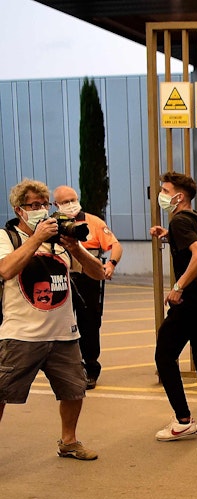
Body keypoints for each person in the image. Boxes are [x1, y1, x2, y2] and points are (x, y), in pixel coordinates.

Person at [0, 178, 104, 460]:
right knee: (2, 390)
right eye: (33, 205)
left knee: (74, 389)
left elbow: (98, 273)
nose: (40, 209)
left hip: (64, 333)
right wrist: (35, 238)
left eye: (43, 204)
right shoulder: (6, 237)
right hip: (22, 333)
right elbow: (5, 270)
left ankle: (68, 441)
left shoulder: (58, 243)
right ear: (19, 209)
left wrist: (74, 248)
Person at [149, 171, 197, 442]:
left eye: (165, 191)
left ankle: (182, 420)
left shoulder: (180, 219)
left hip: (190, 300)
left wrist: (178, 287)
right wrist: (169, 235)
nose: (162, 195)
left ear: (179, 196)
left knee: (164, 355)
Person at [54, 185, 121, 389]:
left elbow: (115, 245)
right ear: (55, 205)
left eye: (73, 199)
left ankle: (91, 368)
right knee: (59, 323)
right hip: (60, 276)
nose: (71, 204)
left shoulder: (92, 222)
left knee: (89, 323)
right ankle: (64, 368)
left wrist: (110, 264)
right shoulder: (50, 224)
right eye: (65, 202)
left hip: (87, 277)